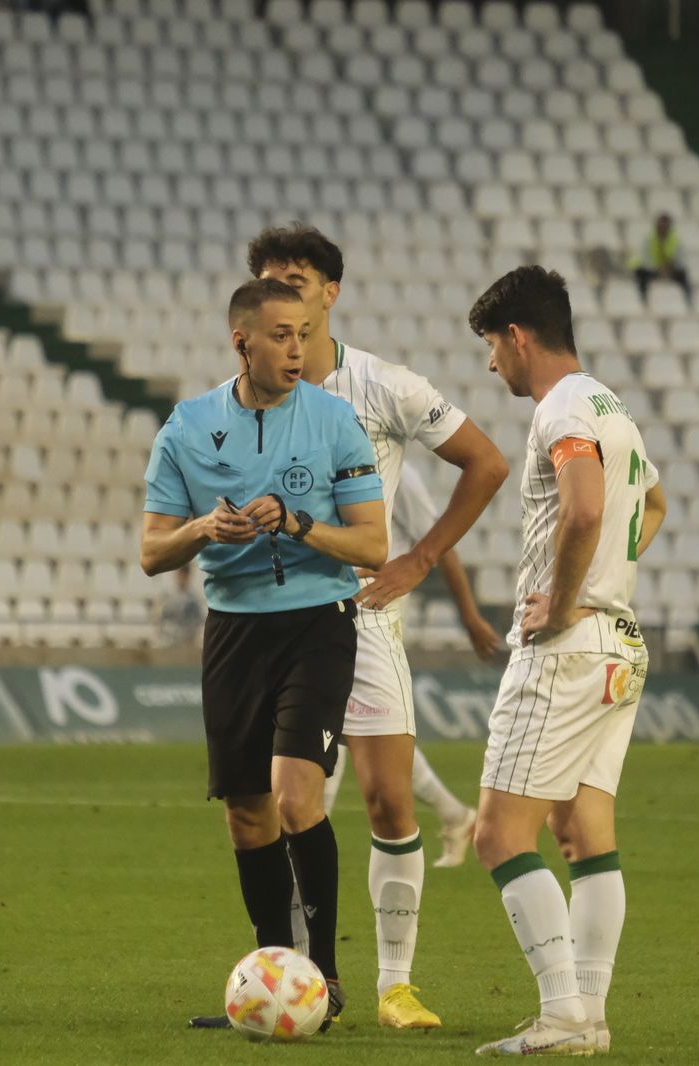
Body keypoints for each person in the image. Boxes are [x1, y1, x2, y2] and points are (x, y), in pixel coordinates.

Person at [249, 224, 508, 1029]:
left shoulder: (383, 387)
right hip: (276, 624)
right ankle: (299, 981)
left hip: (361, 621)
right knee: (287, 807)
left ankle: (396, 983)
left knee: (391, 800)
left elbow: (487, 461)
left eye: (296, 280)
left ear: (330, 292)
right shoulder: (247, 395)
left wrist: (421, 560)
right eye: (268, 283)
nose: (283, 295)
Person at [140, 278, 387, 1033]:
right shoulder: (186, 427)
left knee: (293, 797)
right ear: (241, 341)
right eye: (281, 334)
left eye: (305, 333)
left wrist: (302, 524)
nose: (297, 348)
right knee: (248, 816)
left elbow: (374, 546)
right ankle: (277, 978)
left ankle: (328, 978)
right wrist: (203, 531)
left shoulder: (335, 419)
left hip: (318, 620)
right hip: (235, 631)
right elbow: (152, 550)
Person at [466, 266, 667, 1056]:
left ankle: (563, 1015)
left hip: (569, 650)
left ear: (517, 337)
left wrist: (563, 595)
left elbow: (584, 506)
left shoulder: (562, 407)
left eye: (491, 346)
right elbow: (653, 504)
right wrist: (605, 588)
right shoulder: (610, 404)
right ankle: (590, 1016)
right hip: (620, 645)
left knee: (498, 836)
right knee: (586, 836)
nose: (491, 364)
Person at [320, 461, 498, 869]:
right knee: (371, 731)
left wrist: (470, 618)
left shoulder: (399, 472)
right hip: (337, 603)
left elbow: (438, 543)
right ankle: (455, 815)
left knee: (341, 720)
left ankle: (309, 841)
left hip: (375, 604)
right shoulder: (331, 454)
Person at [629, 213, 690, 300]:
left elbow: (680, 260)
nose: (663, 227)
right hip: (652, 268)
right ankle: (643, 298)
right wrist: (657, 268)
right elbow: (644, 258)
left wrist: (670, 268)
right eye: (661, 224)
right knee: (640, 273)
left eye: (665, 225)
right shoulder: (648, 238)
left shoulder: (675, 240)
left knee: (683, 274)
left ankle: (687, 299)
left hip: (669, 269)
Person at [155, 564, 205, 649]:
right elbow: (159, 620)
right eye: (180, 574)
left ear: (189, 576)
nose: (182, 577)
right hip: (168, 643)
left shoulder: (194, 600)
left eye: (185, 575)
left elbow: (197, 623)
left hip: (187, 645)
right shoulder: (167, 597)